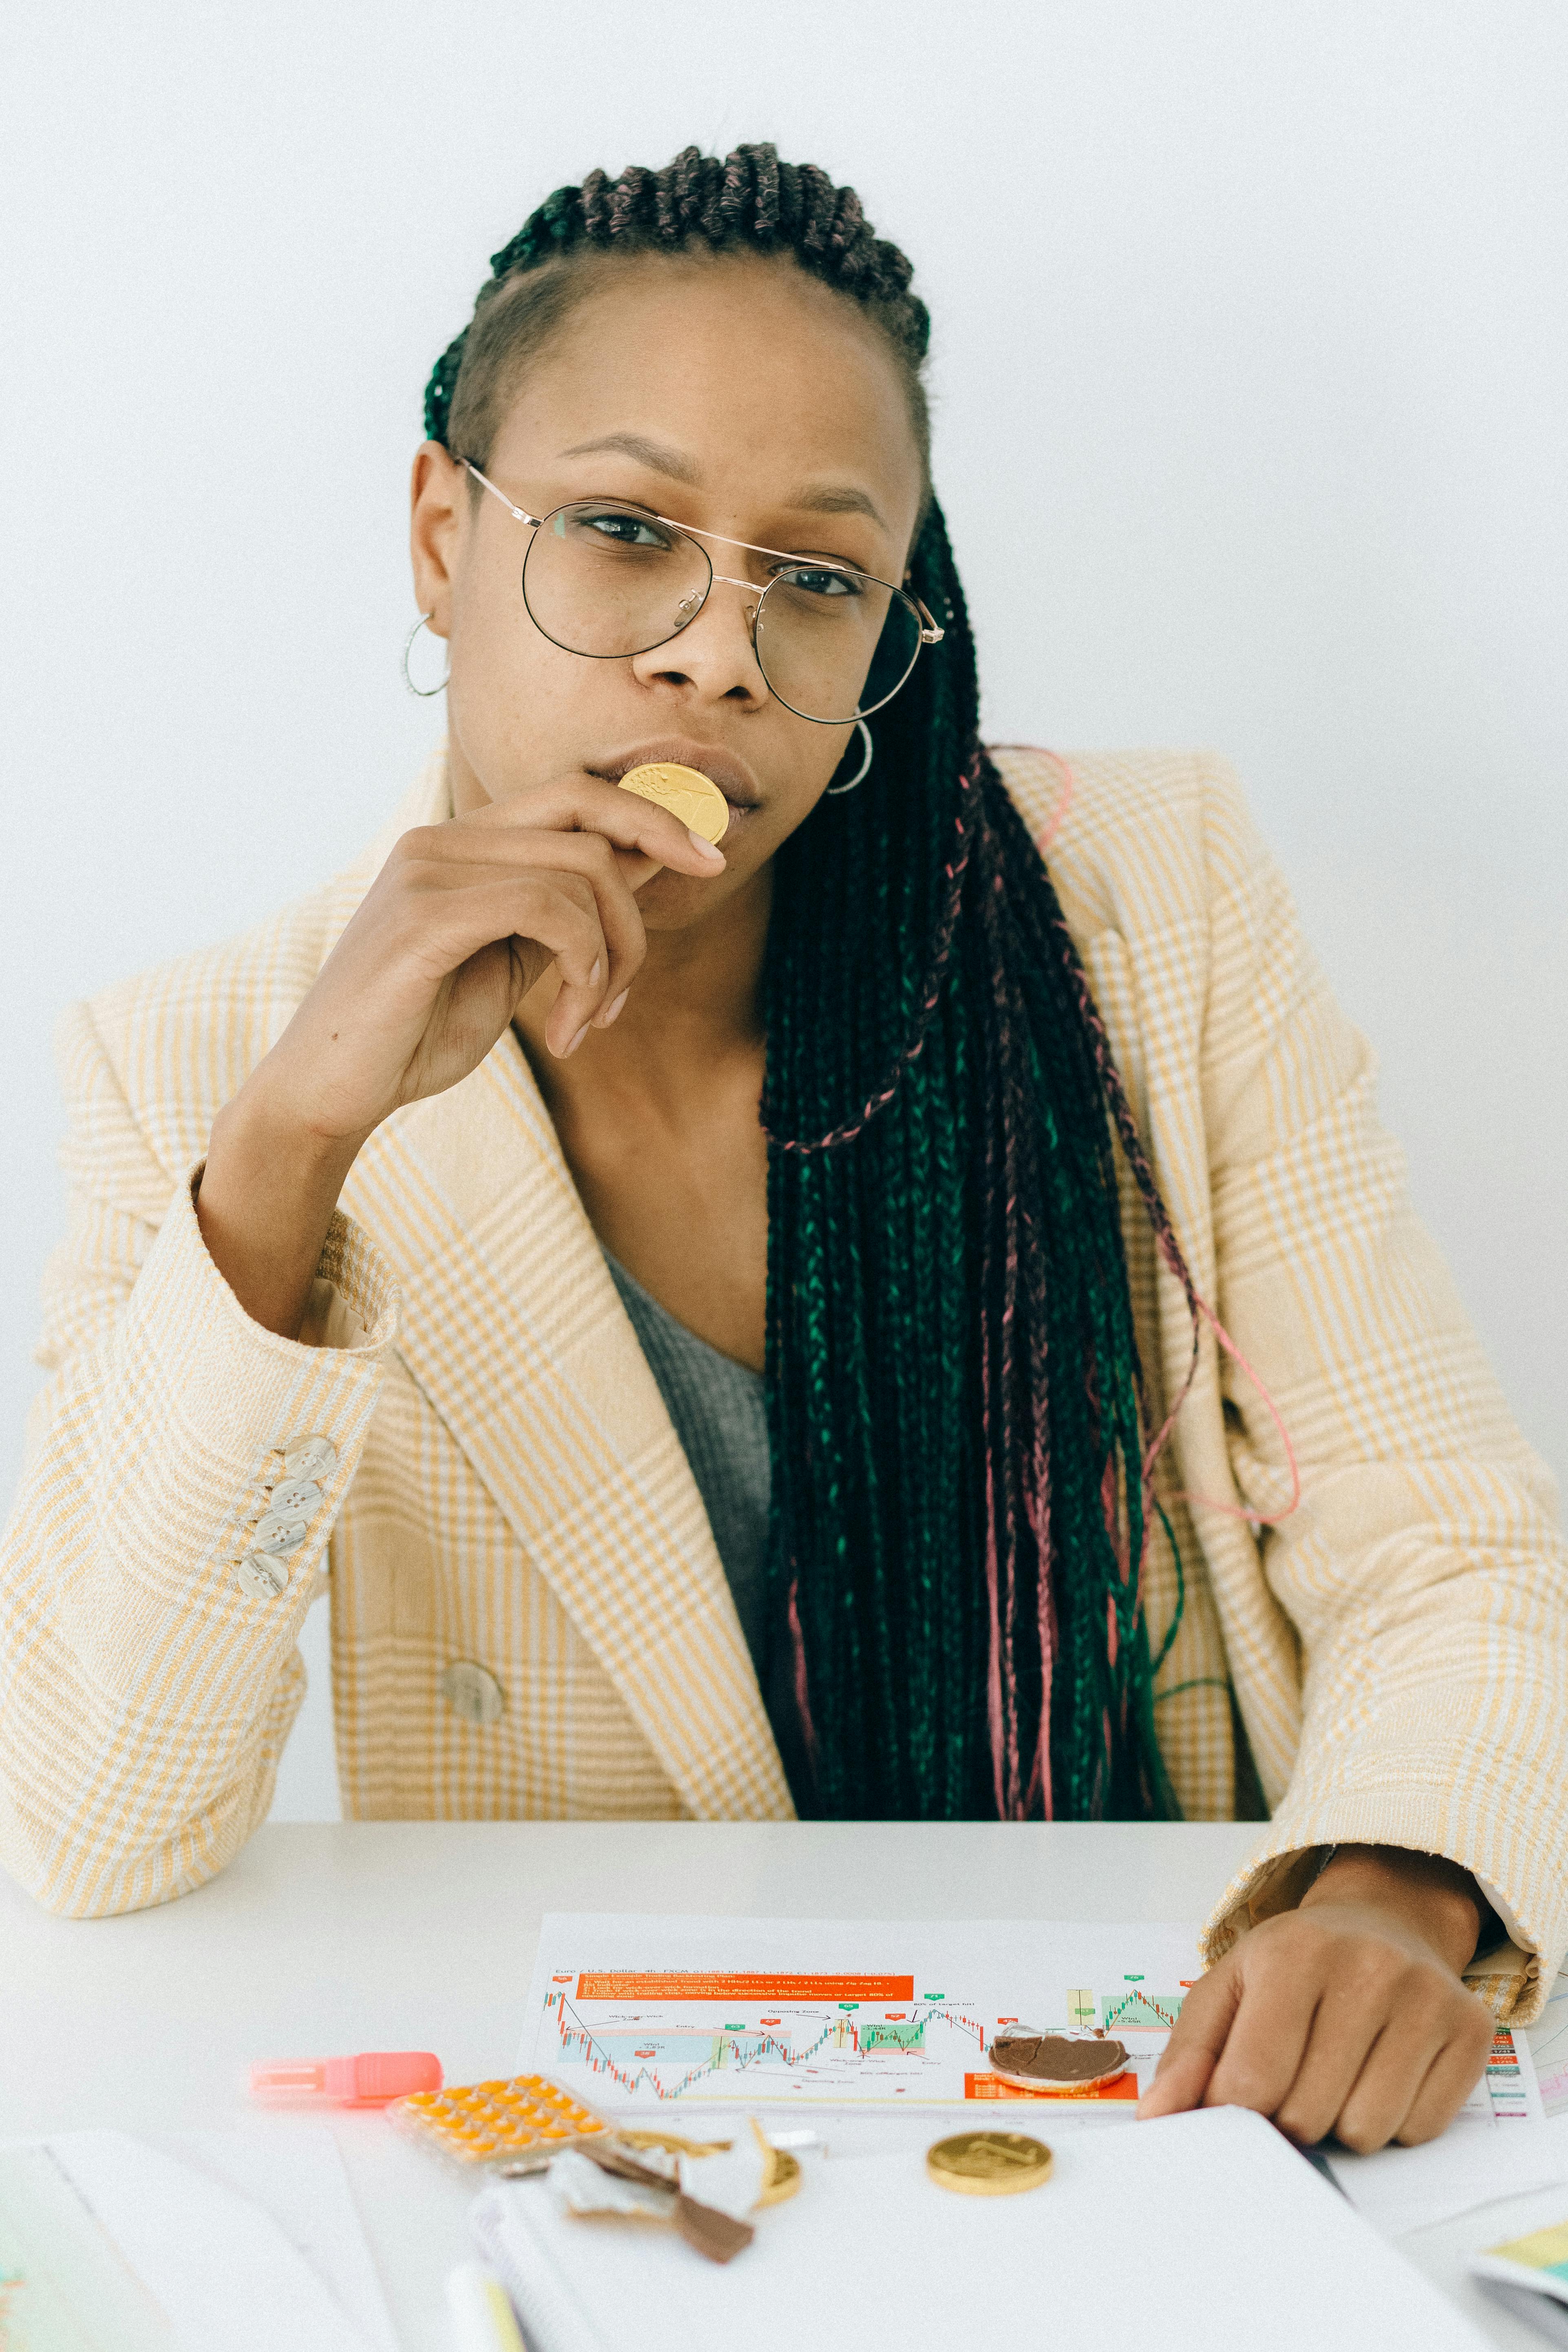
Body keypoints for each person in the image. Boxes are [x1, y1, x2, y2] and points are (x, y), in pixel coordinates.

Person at [2, 143, 1563, 2155]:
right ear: (435, 537)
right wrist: (295, 1145)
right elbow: (95, 1820)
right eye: (624, 531)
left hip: (1160, 2104)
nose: (715, 656)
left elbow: (1443, 1538)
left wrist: (1390, 1890)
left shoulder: (1137, 906)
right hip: (614, 2151)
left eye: (813, 579)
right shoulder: (200, 1066)